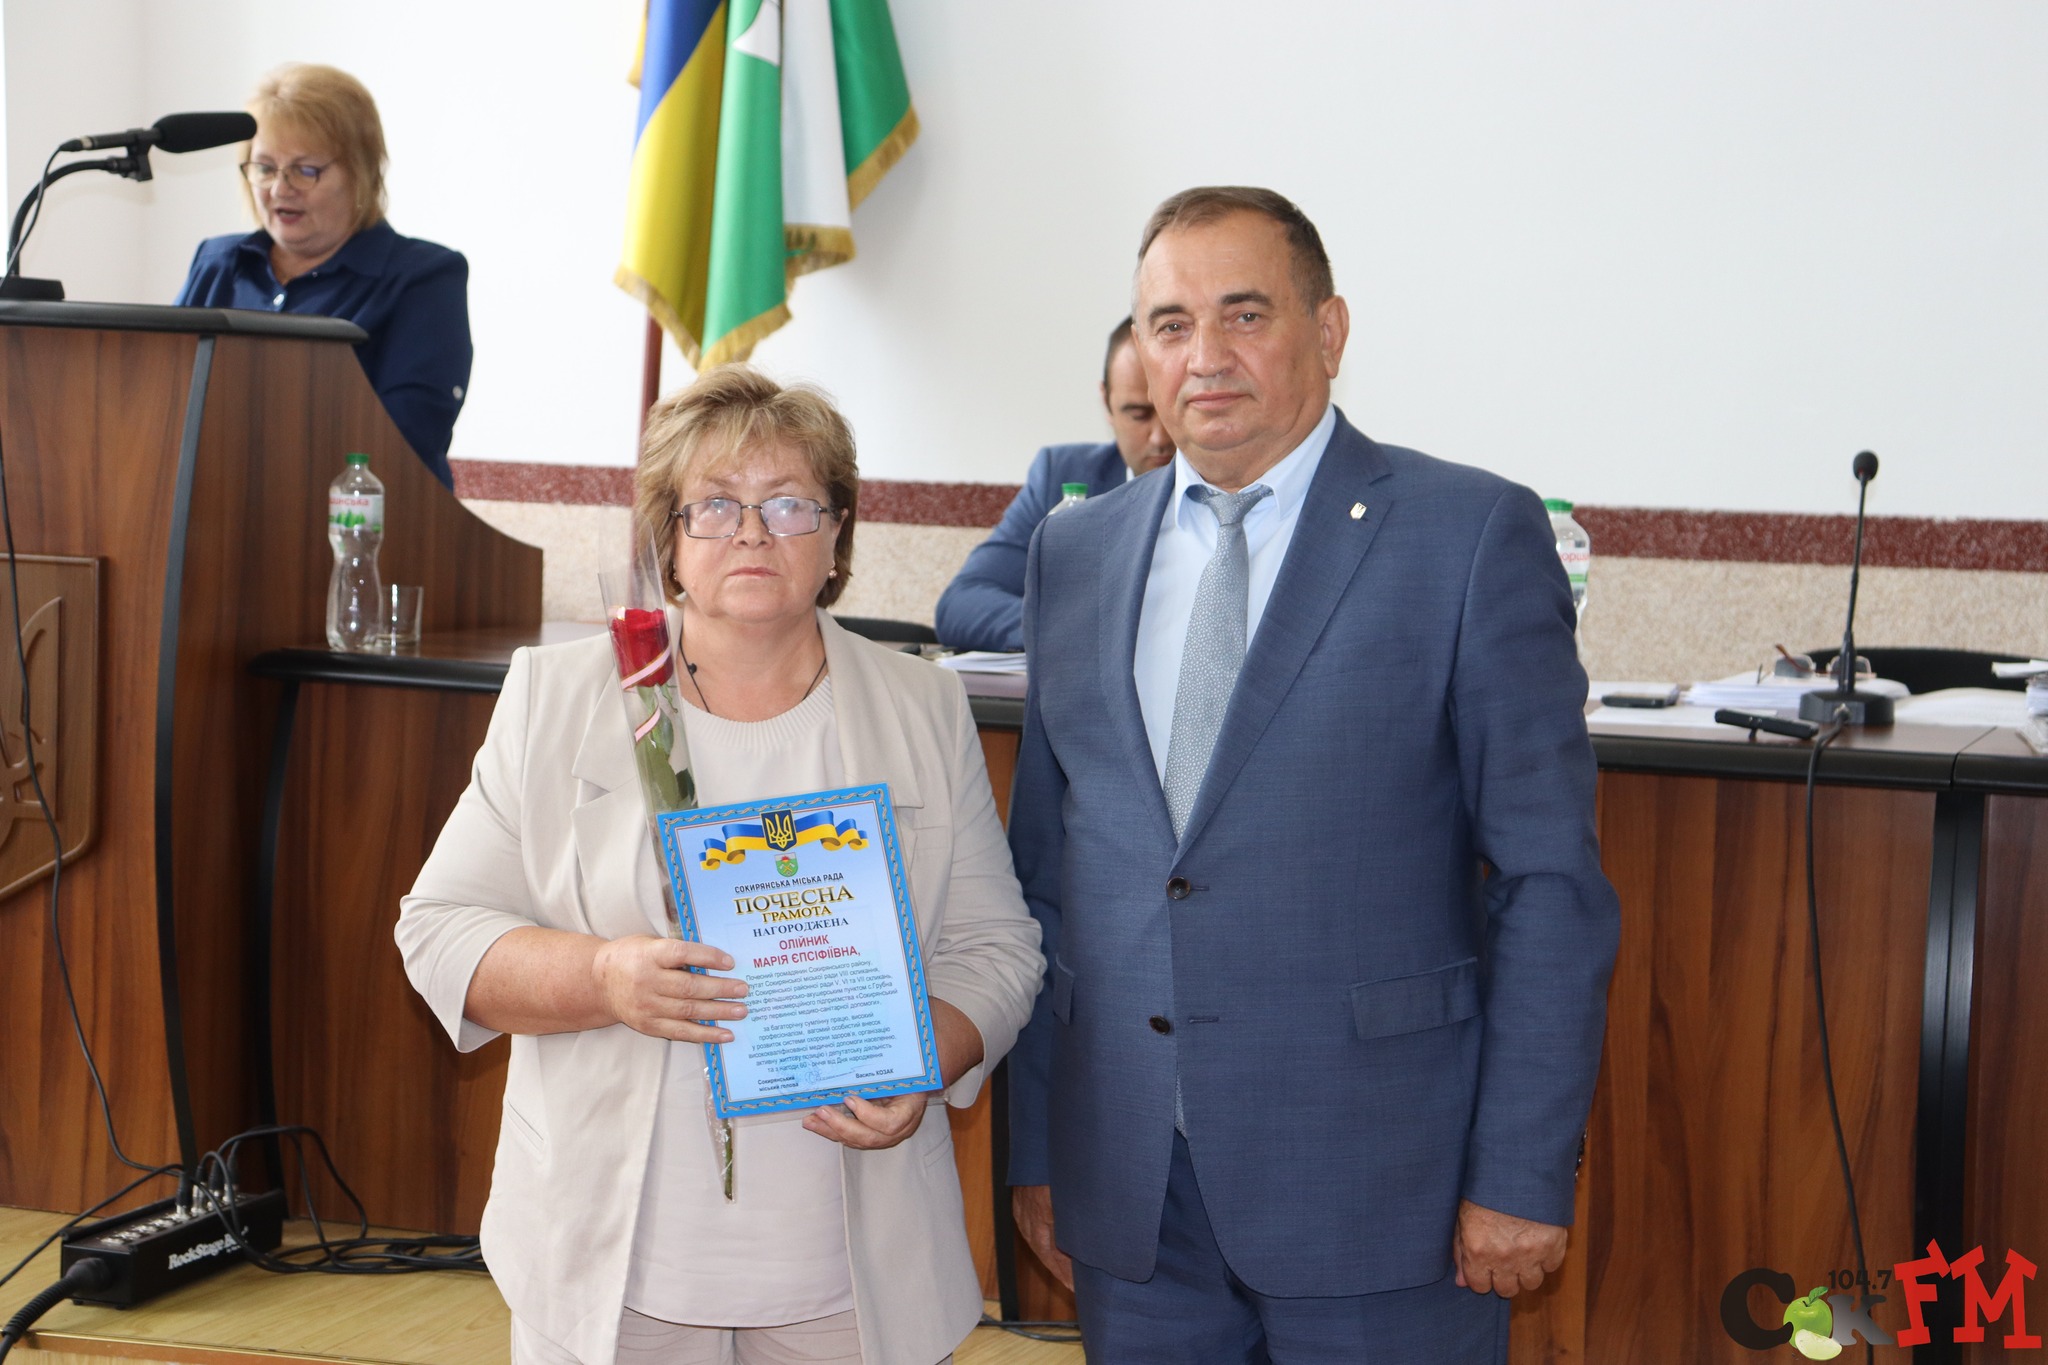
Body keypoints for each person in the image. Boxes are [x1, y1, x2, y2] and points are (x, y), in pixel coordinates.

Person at [1004, 187, 1621, 1363]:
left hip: (1388, 1197)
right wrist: (1040, 1151)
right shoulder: (1073, 553)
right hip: (1132, 1201)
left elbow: (1548, 887)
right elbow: (1046, 881)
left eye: (1244, 315)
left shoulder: (1466, 536)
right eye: (1169, 324)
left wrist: (1518, 1172)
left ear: (1328, 332)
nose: (1204, 356)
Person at [396, 366, 1043, 1365]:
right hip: (612, 1257)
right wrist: (603, 977)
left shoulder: (920, 704)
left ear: (837, 536)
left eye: (788, 503)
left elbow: (996, 947)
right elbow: (439, 930)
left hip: (851, 1265)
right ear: (668, 540)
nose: (751, 533)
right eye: (714, 505)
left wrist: (926, 1057)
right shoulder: (557, 694)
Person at [175, 63, 472, 488]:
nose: (280, 189)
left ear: (361, 172)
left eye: (305, 169)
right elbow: (164, 404)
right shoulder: (217, 263)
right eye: (265, 168)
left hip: (367, 518)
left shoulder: (422, 278)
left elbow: (407, 437)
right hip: (216, 510)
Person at [933, 317, 1173, 651]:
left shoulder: (1234, 487)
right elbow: (961, 605)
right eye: (1137, 414)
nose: (1160, 437)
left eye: (1170, 409)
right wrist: (1075, 633)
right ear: (1106, 402)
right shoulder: (1063, 477)